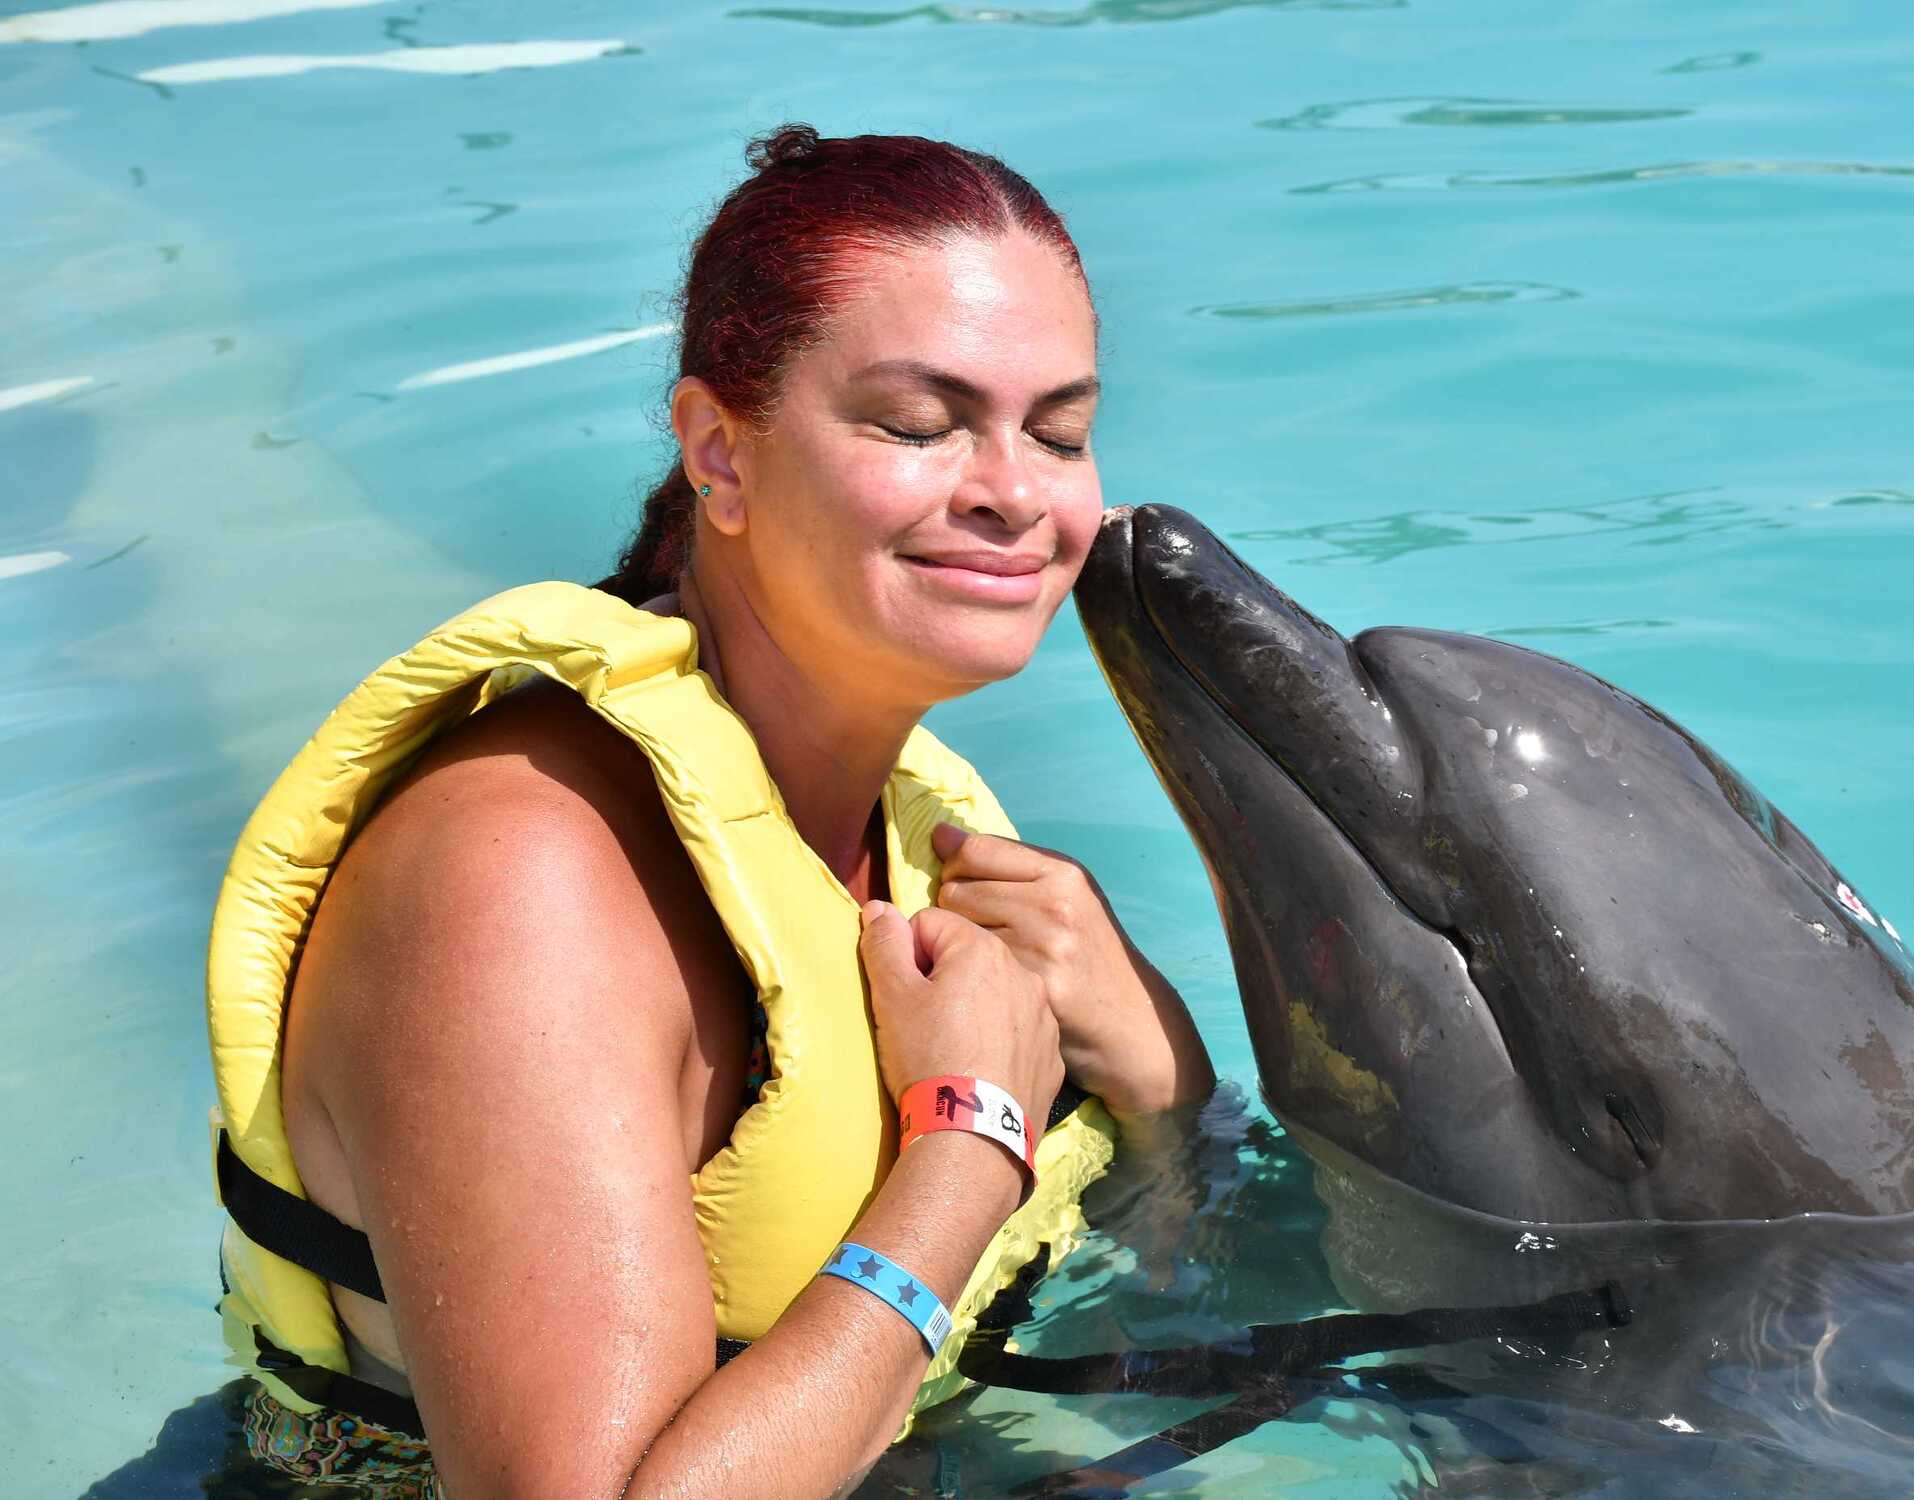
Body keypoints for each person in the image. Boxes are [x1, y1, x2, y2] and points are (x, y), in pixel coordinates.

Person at [202, 123, 1213, 1499]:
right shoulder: (519, 875)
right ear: (719, 454)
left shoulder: (913, 831)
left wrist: (1161, 1081)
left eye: (1059, 433)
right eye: (919, 427)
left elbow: (1165, 1283)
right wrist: (972, 1136)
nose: (1013, 494)